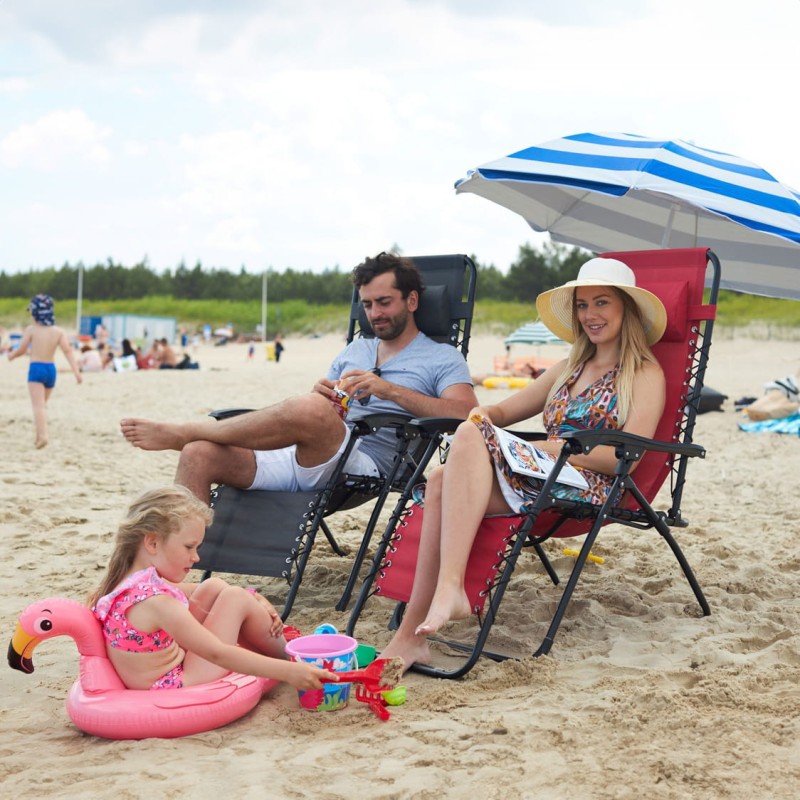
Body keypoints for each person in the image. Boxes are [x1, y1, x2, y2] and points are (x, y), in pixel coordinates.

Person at [379, 257, 668, 671]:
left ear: (627, 309)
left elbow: (627, 460)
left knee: (449, 471)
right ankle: (418, 627)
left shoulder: (643, 373)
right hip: (538, 473)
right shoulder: (569, 368)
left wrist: (553, 449)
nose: (590, 315)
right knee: (447, 468)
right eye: (583, 306)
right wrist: (486, 417)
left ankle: (431, 611)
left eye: (601, 303)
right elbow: (502, 410)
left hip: (590, 484)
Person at [119, 252, 478, 503]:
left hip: (367, 465)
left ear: (412, 301)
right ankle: (181, 576)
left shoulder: (440, 356)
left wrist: (390, 391)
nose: (374, 314)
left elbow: (467, 415)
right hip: (312, 453)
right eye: (367, 305)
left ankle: (187, 430)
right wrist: (325, 398)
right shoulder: (355, 350)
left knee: (307, 410)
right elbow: (321, 414)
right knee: (198, 455)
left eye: (384, 302)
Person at [88, 485, 338, 691]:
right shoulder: (156, 602)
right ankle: (292, 658)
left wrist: (258, 598)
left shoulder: (131, 583)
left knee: (216, 586)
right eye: (189, 547)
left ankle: (283, 644)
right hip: (177, 682)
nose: (196, 558)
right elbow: (218, 654)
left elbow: (204, 590)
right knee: (235, 598)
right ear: (152, 542)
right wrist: (288, 672)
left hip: (163, 671)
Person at [8, 294, 82, 448]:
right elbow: (68, 351)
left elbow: (22, 349)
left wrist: (12, 356)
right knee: (42, 405)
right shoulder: (58, 331)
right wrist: (76, 372)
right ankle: (38, 437)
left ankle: (43, 437)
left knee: (38, 406)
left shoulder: (32, 330)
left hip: (36, 369)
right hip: (51, 370)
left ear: (35, 313)